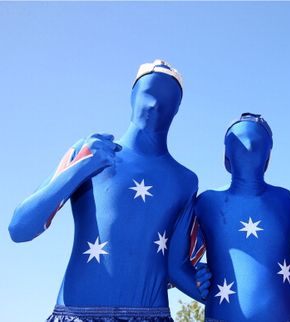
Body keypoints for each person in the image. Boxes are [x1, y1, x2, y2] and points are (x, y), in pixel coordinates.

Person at [9, 60, 210, 322]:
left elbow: (174, 268)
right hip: (77, 314)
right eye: (147, 93)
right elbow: (20, 228)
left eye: (168, 99)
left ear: (177, 109)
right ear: (132, 96)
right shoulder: (91, 150)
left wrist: (208, 287)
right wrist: (80, 168)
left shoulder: (184, 180)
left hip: (152, 315)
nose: (154, 105)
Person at [170, 113, 290, 322]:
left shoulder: (285, 200)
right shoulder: (207, 202)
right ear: (226, 157)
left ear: (268, 156)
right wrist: (196, 282)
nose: (248, 143)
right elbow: (178, 265)